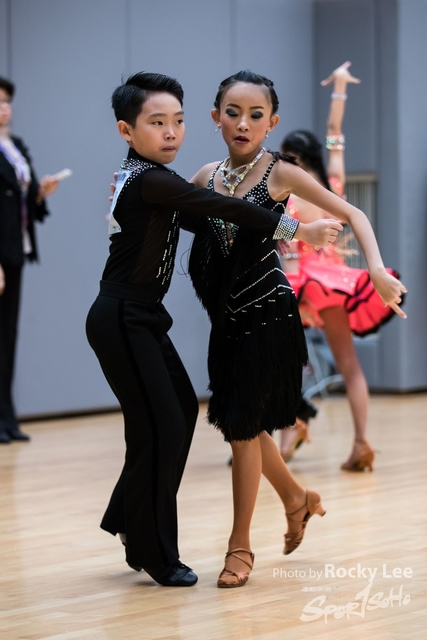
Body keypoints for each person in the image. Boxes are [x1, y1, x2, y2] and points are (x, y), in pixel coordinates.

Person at [87, 72, 340, 588]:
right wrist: (297, 229)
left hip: (142, 318)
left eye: (177, 121)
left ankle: (130, 521)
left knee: (176, 415)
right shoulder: (154, 180)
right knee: (166, 425)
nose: (171, 132)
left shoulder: (150, 179)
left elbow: (217, 219)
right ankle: (155, 552)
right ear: (126, 130)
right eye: (157, 123)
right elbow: (223, 207)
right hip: (122, 317)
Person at [187, 70, 406, 588]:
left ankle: (240, 546)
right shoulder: (205, 177)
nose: (243, 123)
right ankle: (295, 498)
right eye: (233, 113)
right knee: (242, 423)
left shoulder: (281, 173)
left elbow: (353, 213)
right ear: (216, 117)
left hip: (268, 312)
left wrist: (376, 269)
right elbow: (177, 217)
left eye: (255, 115)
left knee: (243, 429)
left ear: (272, 122)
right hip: (225, 317)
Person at [279, 61, 402, 471]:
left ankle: (294, 429)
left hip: (303, 282)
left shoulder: (289, 191)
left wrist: (340, 88)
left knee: (287, 361)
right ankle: (357, 442)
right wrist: (340, 88)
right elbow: (335, 133)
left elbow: (286, 250)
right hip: (327, 282)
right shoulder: (329, 184)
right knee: (342, 364)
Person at [0, 77, 59, 444]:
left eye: (7, 100)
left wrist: (40, 194)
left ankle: (7, 419)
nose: (4, 107)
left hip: (15, 249)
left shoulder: (16, 146)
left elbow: (24, 198)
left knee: (8, 336)